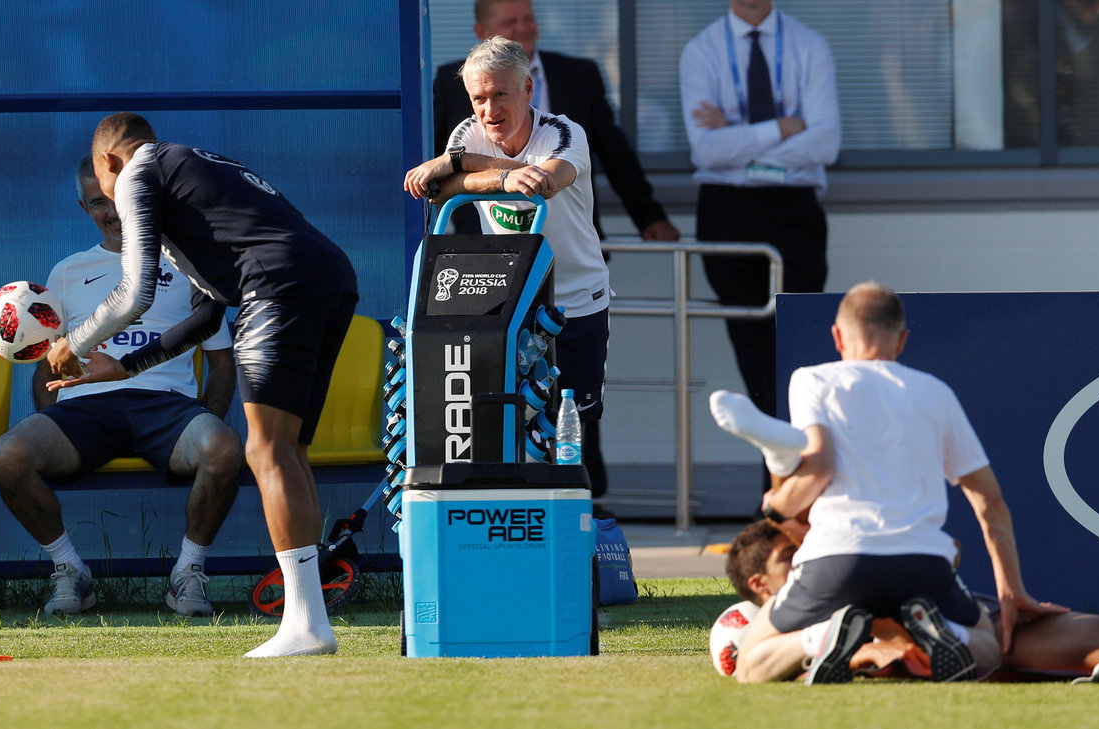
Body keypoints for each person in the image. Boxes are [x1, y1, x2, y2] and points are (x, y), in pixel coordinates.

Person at [43, 113, 360, 658]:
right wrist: (124, 366)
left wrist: (75, 342)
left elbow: (135, 292)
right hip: (330, 280)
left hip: (277, 286)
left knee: (266, 451)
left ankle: (306, 625)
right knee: (290, 452)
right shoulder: (195, 179)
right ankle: (311, 620)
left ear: (109, 163)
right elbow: (205, 318)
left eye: (105, 187)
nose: (113, 205)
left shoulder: (141, 171)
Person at [707, 282, 1067, 684]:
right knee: (988, 646)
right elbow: (989, 501)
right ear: (902, 340)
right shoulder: (937, 392)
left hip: (837, 559)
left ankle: (820, 636)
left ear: (837, 336)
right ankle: (948, 634)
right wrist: (1011, 591)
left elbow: (820, 467)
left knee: (750, 663)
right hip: (923, 563)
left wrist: (776, 508)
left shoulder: (812, 380)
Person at [0, 156, 242, 618]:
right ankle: (70, 571)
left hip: (167, 408)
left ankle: (188, 573)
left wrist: (206, 420)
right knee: (10, 454)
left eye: (115, 199)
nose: (110, 212)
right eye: (97, 203)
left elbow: (221, 361)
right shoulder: (67, 272)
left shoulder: (188, 265)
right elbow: (49, 365)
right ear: (84, 208)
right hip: (84, 410)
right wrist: (53, 417)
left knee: (225, 449)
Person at [407, 36, 612, 511]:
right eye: (479, 98)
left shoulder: (564, 132)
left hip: (576, 301)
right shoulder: (467, 133)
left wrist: (460, 166)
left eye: (501, 94)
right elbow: (443, 191)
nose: (490, 110)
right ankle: (514, 525)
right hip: (509, 307)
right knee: (505, 425)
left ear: (527, 88)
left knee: (570, 427)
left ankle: (570, 530)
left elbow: (545, 182)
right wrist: (491, 172)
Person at [679, 0, 840, 441]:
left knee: (798, 347)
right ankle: (778, 468)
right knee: (752, 350)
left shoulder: (809, 46)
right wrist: (782, 128)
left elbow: (826, 142)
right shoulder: (701, 51)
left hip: (794, 210)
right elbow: (706, 151)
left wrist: (737, 142)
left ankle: (795, 467)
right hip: (726, 210)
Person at [724, 520, 1099, 682]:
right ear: (760, 584)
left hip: (974, 625)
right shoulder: (773, 633)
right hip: (927, 657)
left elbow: (952, 549)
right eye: (790, 558)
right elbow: (751, 670)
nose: (805, 561)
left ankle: (945, 635)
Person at [432, 0, 679, 244]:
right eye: (510, 22)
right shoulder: (455, 81)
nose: (522, 28)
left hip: (569, 250)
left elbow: (614, 154)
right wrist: (460, 170)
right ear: (481, 32)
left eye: (528, 19)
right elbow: (437, 182)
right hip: (483, 249)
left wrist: (649, 217)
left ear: (527, 88)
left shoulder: (579, 77)